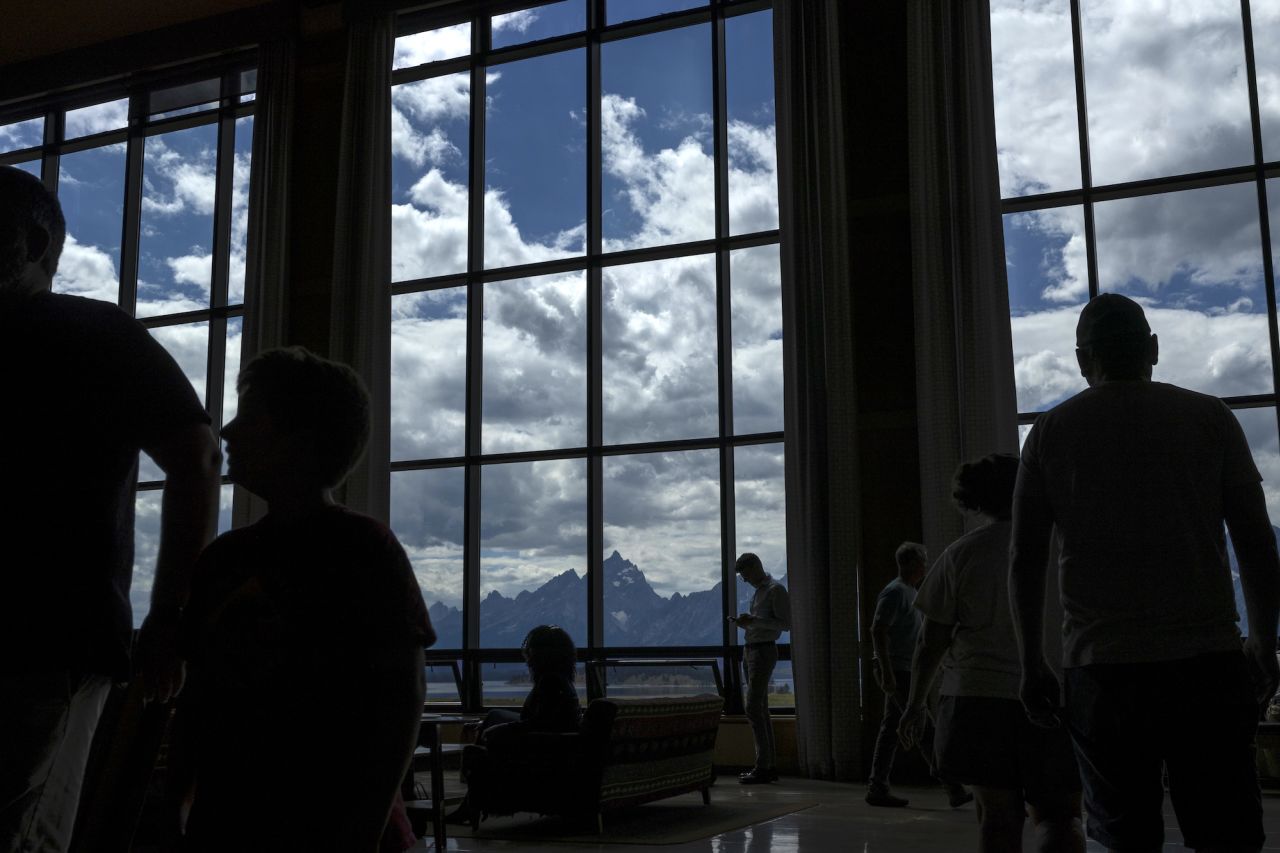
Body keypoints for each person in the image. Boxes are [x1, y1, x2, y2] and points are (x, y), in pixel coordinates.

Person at [0, 165, 222, 853]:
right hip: (53, 642)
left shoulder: (94, 333)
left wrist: (169, 618)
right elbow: (197, 458)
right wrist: (166, 617)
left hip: (47, 645)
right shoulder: (95, 334)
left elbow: (198, 457)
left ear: (37, 240)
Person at [1009, 293, 1280, 853]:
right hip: (1206, 659)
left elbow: (1026, 558)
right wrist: (1264, 641)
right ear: (1153, 348)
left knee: (1122, 831)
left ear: (1083, 360)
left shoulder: (1049, 432)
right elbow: (1255, 543)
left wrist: (1032, 661)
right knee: (1225, 828)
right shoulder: (1211, 418)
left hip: (1102, 667)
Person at [175, 347, 435, 851]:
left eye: (249, 416)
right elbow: (404, 696)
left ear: (298, 437)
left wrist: (178, 798)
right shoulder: (365, 548)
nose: (226, 431)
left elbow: (197, 696)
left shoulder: (227, 561)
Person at [900, 455, 1081, 851]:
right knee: (1060, 817)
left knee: (997, 819)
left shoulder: (960, 555)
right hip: (1057, 697)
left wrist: (914, 704)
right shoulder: (1065, 547)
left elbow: (930, 644)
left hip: (977, 700)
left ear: (973, 500)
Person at [867, 542, 971, 809]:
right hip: (899, 671)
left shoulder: (909, 592)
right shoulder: (895, 593)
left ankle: (877, 787)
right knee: (923, 727)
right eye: (924, 561)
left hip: (905, 669)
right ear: (914, 563)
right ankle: (953, 788)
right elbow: (878, 631)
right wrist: (887, 673)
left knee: (892, 729)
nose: (926, 566)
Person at [450, 625, 582, 824]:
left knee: (494, 723)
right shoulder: (560, 680)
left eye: (530, 648)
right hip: (551, 743)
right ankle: (470, 801)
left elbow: (540, 723)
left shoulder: (551, 682)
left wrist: (502, 730)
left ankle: (472, 800)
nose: (526, 653)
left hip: (540, 748)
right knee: (495, 715)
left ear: (540, 653)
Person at [732, 552, 791, 785]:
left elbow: (785, 624)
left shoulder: (776, 591)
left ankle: (763, 766)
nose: (744, 580)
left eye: (745, 574)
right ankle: (768, 765)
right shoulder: (758, 592)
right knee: (760, 709)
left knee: (754, 708)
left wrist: (753, 622)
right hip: (751, 650)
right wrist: (746, 624)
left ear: (756, 567)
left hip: (763, 651)